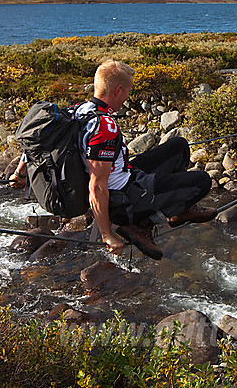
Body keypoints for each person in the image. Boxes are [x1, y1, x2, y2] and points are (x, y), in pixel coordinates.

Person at [76, 59, 215, 259]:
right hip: (123, 198)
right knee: (202, 181)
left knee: (179, 146)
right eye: (127, 91)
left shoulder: (80, 110)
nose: (127, 96)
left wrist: (19, 174)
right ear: (118, 90)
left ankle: (177, 210)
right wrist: (107, 235)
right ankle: (140, 225)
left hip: (125, 174)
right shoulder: (104, 126)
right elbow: (97, 186)